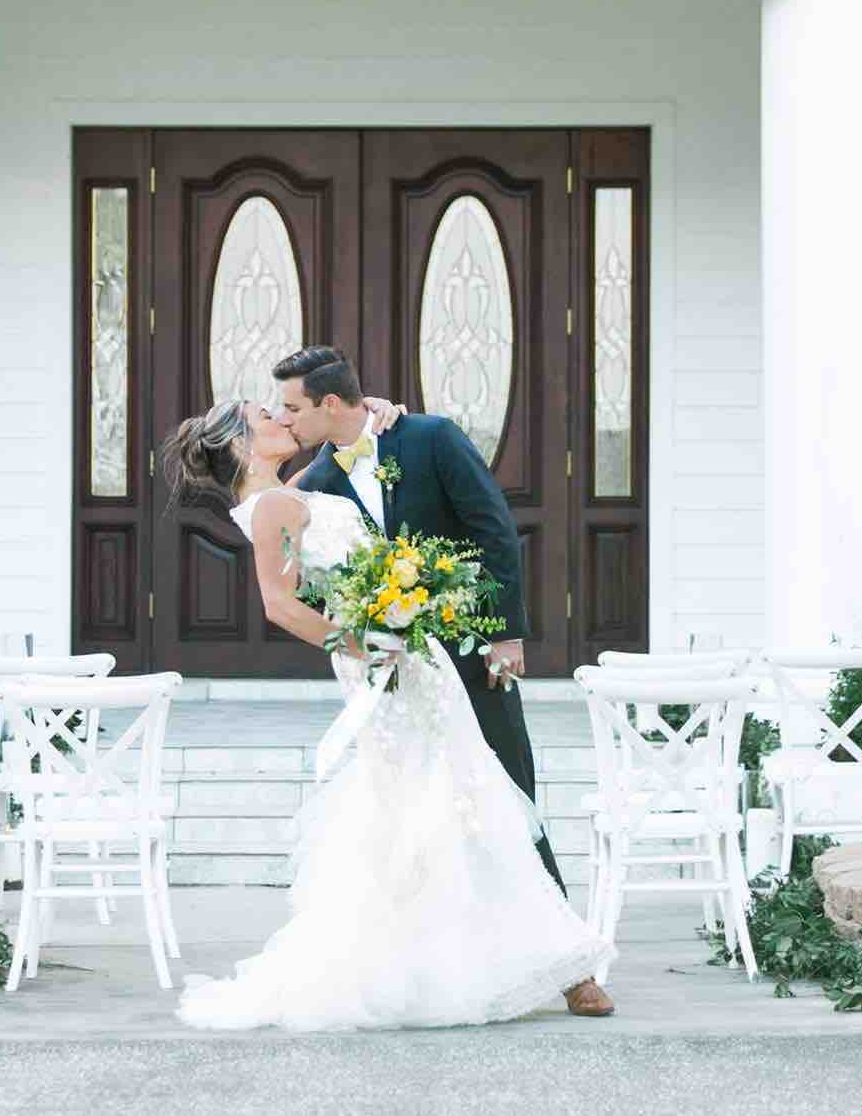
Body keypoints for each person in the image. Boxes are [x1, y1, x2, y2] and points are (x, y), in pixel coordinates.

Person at [160, 366, 614, 1032]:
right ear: (242, 447)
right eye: (266, 416)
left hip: (415, 662)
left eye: (287, 408)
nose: (281, 420)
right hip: (394, 671)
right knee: (465, 799)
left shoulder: (293, 490)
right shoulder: (280, 506)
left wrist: (370, 415)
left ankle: (490, 958)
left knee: (458, 801)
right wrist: (363, 644)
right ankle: (541, 962)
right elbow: (281, 606)